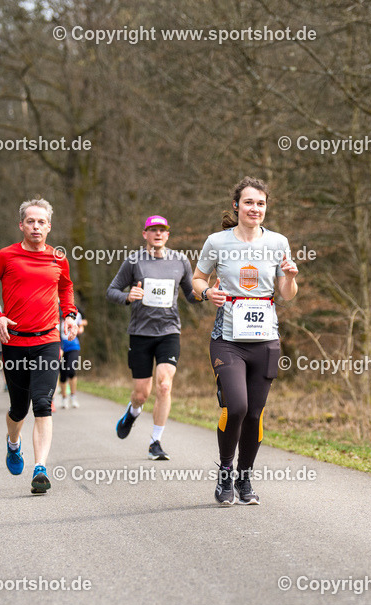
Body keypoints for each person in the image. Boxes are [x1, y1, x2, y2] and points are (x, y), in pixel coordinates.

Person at [192, 177, 299, 505]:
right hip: (227, 339)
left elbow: (287, 295)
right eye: (249, 202)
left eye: (261, 203)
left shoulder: (278, 242)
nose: (255, 208)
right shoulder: (217, 242)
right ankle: (225, 471)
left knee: (254, 413)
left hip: (265, 339)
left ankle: (245, 477)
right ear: (237, 206)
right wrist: (207, 292)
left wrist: (292, 278)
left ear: (266, 207)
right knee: (235, 406)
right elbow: (196, 279)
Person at [0, 198, 78, 494]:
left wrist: (69, 314)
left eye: (41, 222)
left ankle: (40, 468)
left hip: (48, 340)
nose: (36, 226)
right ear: (21, 225)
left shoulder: (58, 258)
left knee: (43, 405)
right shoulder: (6, 256)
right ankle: (13, 443)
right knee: (18, 410)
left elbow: (66, 286)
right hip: (15, 342)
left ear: (49, 226)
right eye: (30, 221)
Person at [107, 215, 201, 460]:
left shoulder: (180, 261)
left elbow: (191, 295)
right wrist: (128, 296)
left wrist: (206, 292)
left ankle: (155, 442)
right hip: (140, 333)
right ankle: (132, 412)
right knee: (141, 393)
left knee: (164, 384)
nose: (158, 234)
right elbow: (112, 291)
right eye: (153, 230)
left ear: (168, 235)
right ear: (144, 234)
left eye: (162, 230)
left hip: (169, 331)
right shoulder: (134, 261)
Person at [58, 307, 87, 409]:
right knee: (63, 373)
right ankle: (64, 398)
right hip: (60, 346)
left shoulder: (76, 312)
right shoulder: (57, 312)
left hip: (73, 345)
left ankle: (73, 397)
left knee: (71, 369)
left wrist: (81, 327)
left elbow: (83, 322)